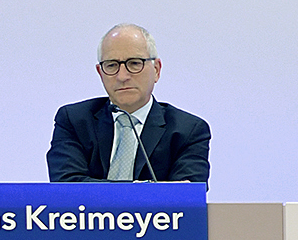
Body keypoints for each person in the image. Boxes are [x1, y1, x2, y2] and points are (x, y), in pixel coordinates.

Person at [47, 23, 211, 183]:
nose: (122, 76)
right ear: (100, 73)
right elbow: (67, 185)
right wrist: (138, 190)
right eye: (112, 65)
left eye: (134, 63)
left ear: (156, 70)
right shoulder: (74, 121)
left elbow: (186, 195)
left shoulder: (188, 131)